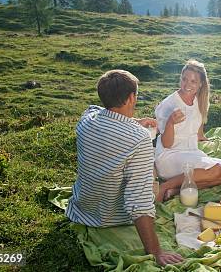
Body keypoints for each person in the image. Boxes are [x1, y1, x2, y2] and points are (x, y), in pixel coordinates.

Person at [66, 69, 183, 267]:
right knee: (152, 176)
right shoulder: (139, 138)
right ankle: (171, 188)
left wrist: (133, 121)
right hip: (111, 217)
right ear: (130, 98)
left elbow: (92, 109)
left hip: (83, 207)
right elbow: (138, 201)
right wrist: (156, 251)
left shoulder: (86, 120)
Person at [154, 60, 221, 201]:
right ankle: (164, 186)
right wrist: (170, 123)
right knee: (216, 170)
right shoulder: (168, 105)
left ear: (201, 84)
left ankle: (175, 190)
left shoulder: (200, 100)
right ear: (180, 78)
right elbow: (167, 144)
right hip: (170, 156)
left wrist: (201, 136)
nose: (187, 84)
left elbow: (198, 125)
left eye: (193, 81)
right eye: (184, 79)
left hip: (191, 153)